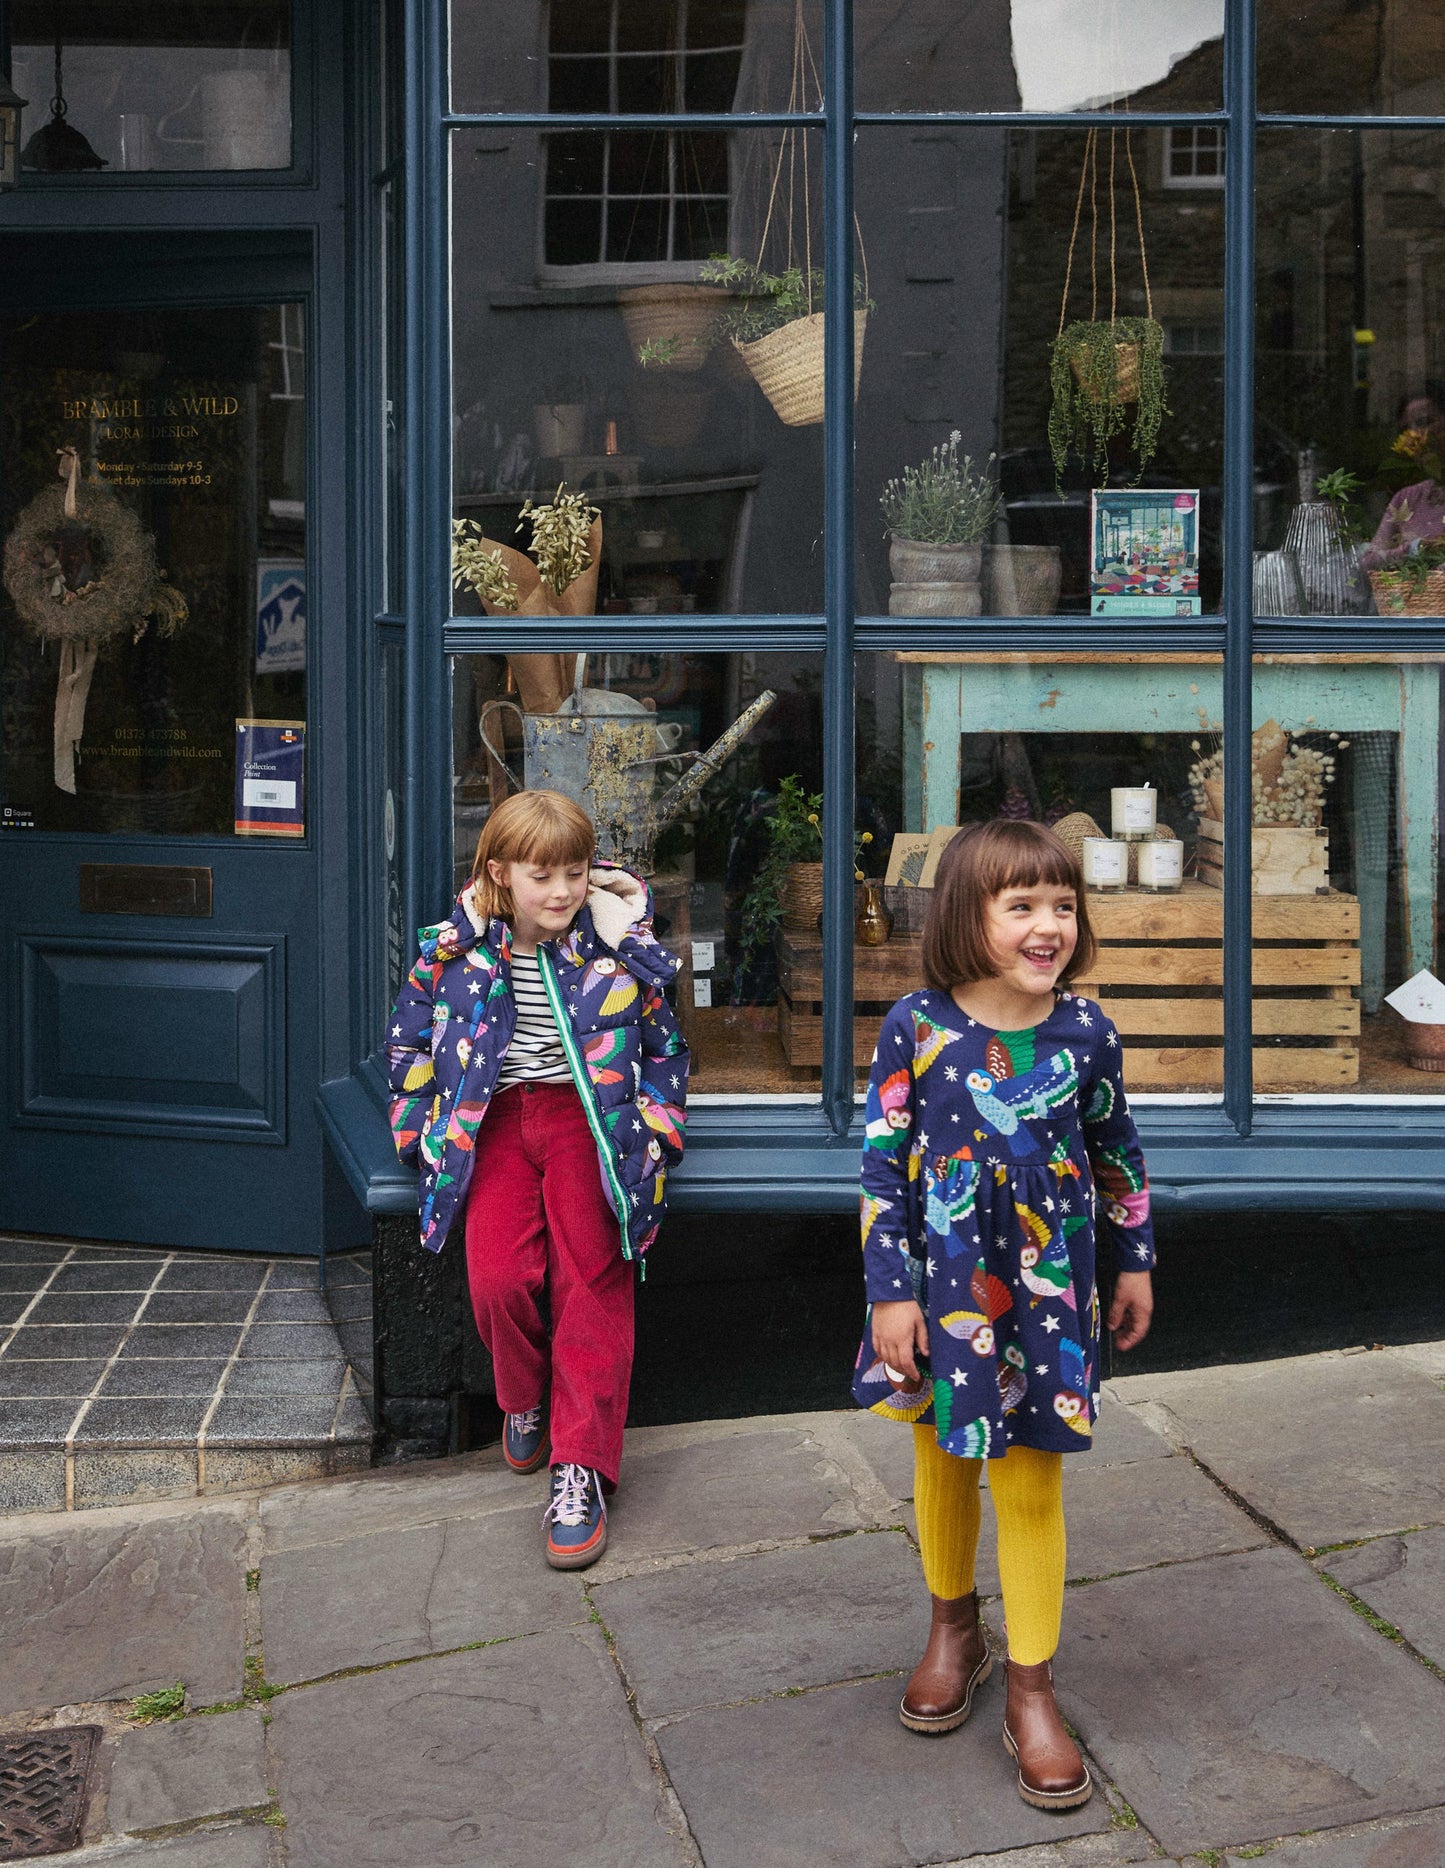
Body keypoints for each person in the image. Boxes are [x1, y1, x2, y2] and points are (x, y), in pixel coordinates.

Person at [852, 818, 1154, 1811]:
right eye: (1019, 904)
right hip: (942, 1293)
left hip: (1047, 1299)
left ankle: (1032, 1687)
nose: (1047, 923)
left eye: (1061, 904)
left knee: (1028, 1479)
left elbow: (1116, 1152)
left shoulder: (1084, 1031)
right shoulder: (917, 1027)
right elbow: (881, 1169)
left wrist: (1132, 1263)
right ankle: (952, 1629)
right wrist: (889, 1290)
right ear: (964, 915)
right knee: (943, 1451)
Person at [385, 789, 689, 1569]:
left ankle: (579, 1466)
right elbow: (410, 1042)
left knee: (592, 1285)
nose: (560, 893)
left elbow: (665, 1049)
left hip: (588, 1123)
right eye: (541, 876)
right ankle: (521, 1398)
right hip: (489, 1126)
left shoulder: (617, 944)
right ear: (499, 873)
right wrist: (417, 1128)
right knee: (498, 1280)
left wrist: (657, 1127)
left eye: (574, 874)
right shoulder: (453, 951)